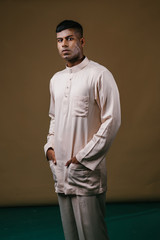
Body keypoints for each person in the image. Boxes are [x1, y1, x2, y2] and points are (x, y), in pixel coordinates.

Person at [44, 20, 121, 240]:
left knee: (92, 234)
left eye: (70, 38)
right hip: (60, 170)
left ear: (82, 41)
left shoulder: (99, 74)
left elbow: (112, 121)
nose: (64, 45)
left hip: (86, 170)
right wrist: (49, 148)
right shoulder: (56, 80)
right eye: (59, 40)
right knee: (71, 235)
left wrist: (82, 157)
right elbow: (53, 118)